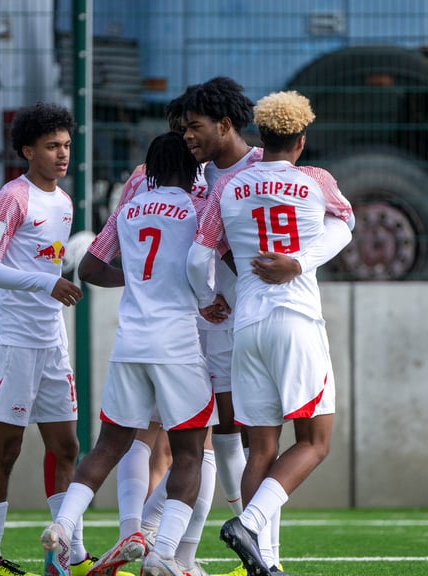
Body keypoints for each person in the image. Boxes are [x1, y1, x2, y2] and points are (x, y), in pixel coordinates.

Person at [186, 90, 354, 576]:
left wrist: (207, 300)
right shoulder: (315, 180)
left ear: (261, 136)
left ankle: (268, 563)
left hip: (246, 325)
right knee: (316, 442)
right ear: (300, 142)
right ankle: (250, 523)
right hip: (296, 322)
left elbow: (199, 258)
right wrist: (298, 263)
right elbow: (347, 224)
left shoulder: (228, 188)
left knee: (259, 448)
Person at [41, 131, 218, 576]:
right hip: (176, 344)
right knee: (191, 452)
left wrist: (139, 281)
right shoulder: (199, 209)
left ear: (152, 170)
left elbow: (89, 267)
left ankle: (63, 526)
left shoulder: (129, 210)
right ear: (193, 168)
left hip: (129, 344)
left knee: (110, 445)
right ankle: (164, 556)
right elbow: (206, 262)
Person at [0, 102, 92, 576]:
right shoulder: (11, 198)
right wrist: (47, 283)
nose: (62, 155)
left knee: (66, 448)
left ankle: (72, 555)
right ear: (27, 150)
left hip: (50, 340)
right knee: (6, 450)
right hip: (11, 341)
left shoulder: (64, 203)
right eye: (51, 146)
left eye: (66, 145)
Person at [181, 76, 293, 576]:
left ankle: (265, 550)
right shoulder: (199, 177)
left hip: (252, 316)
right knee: (222, 432)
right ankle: (249, 547)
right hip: (207, 319)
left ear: (225, 125)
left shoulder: (261, 170)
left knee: (255, 437)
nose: (188, 136)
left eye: (196, 127)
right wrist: (205, 299)